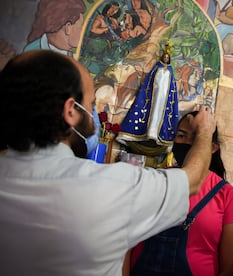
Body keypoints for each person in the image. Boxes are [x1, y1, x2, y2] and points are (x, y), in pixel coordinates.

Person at [0, 49, 216, 276]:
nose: (93, 113)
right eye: (91, 104)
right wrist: (204, 132)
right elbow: (192, 181)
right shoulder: (112, 186)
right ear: (71, 111)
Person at [128, 111, 233, 276]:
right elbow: (126, 239)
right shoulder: (155, 180)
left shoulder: (227, 195)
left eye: (196, 137)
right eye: (181, 136)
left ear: (212, 148)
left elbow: (231, 266)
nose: (187, 143)